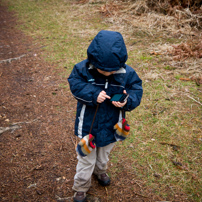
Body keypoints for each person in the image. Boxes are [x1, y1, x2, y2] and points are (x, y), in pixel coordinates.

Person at [68, 30, 143, 202]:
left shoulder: (127, 73)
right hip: (88, 125)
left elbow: (136, 89)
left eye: (112, 70)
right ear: (93, 60)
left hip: (112, 124)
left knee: (104, 155)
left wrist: (127, 100)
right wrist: (93, 94)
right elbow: (75, 84)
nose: (107, 73)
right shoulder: (83, 69)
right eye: (102, 70)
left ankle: (100, 171)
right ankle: (81, 186)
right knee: (86, 158)